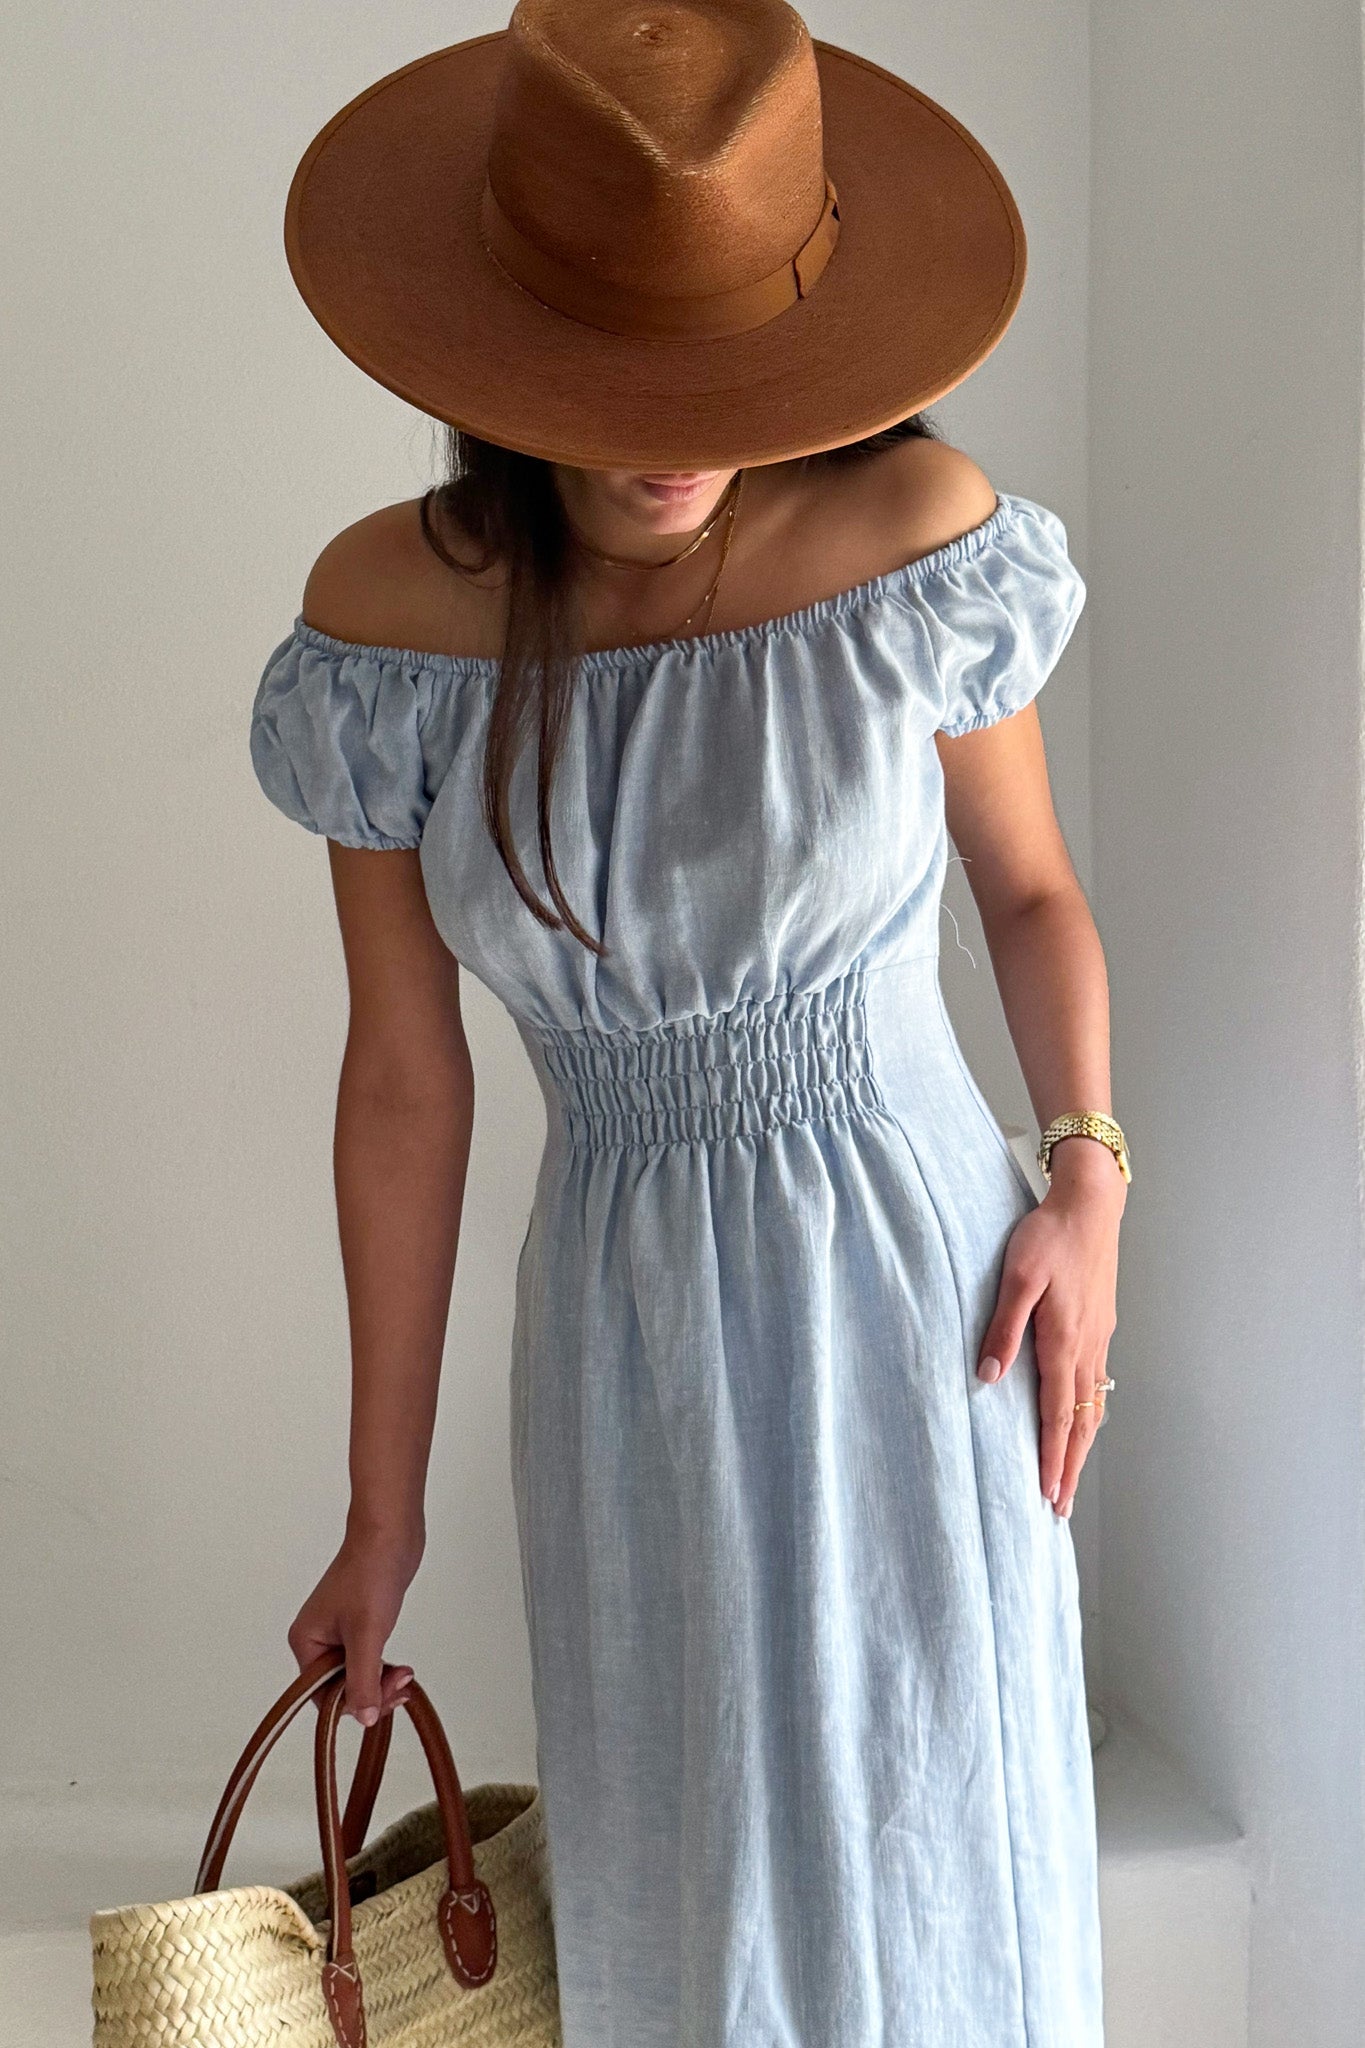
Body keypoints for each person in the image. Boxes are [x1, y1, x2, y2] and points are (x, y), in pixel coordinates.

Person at [249, 3, 1125, 2042]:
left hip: (921, 1301)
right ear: (501, 357)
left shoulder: (908, 537)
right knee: (685, 1866)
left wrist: (1086, 1174)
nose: (673, 436)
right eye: (614, 383)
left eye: (718, 373)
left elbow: (1027, 891)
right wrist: (381, 1514)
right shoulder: (391, 629)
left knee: (932, 1842)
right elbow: (403, 1081)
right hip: (621, 1327)